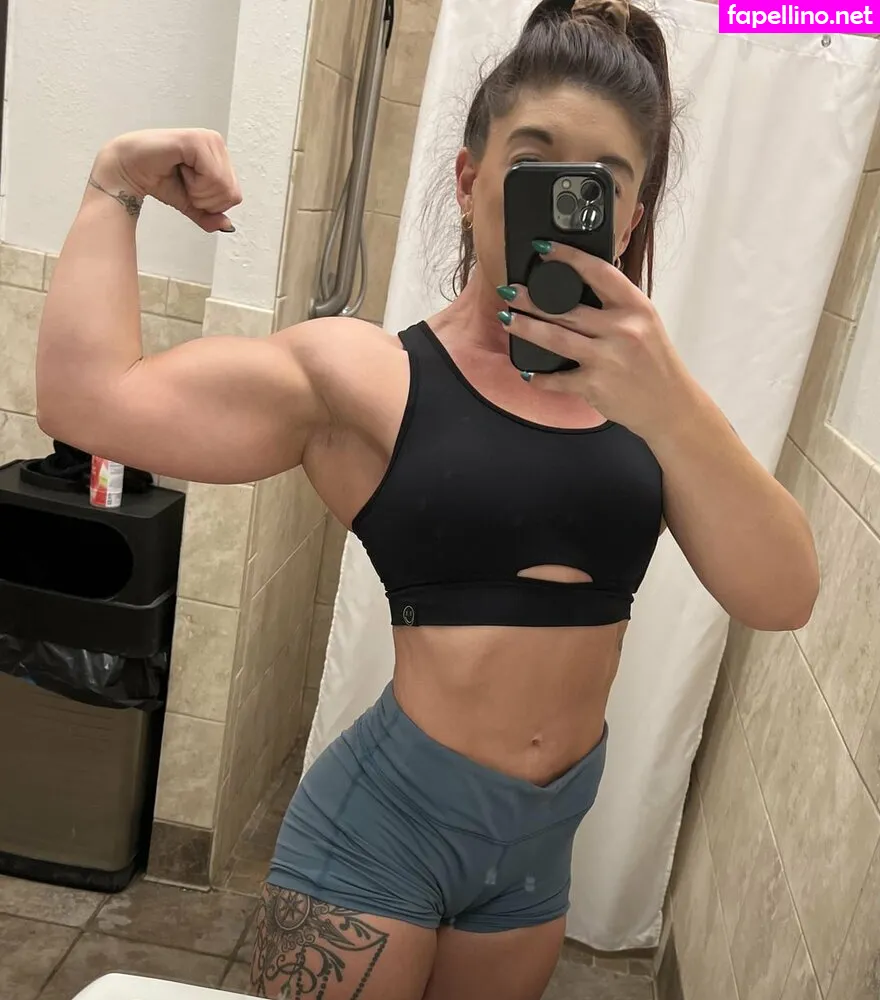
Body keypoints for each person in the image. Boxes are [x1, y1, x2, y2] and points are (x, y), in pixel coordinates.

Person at [35, 0, 819, 996]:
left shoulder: (660, 409)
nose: (561, 200)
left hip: (534, 857)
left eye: (601, 182)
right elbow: (89, 400)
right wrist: (113, 182)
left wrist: (670, 402)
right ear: (469, 180)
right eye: (532, 162)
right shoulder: (369, 378)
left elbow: (783, 595)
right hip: (381, 836)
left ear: (627, 217)